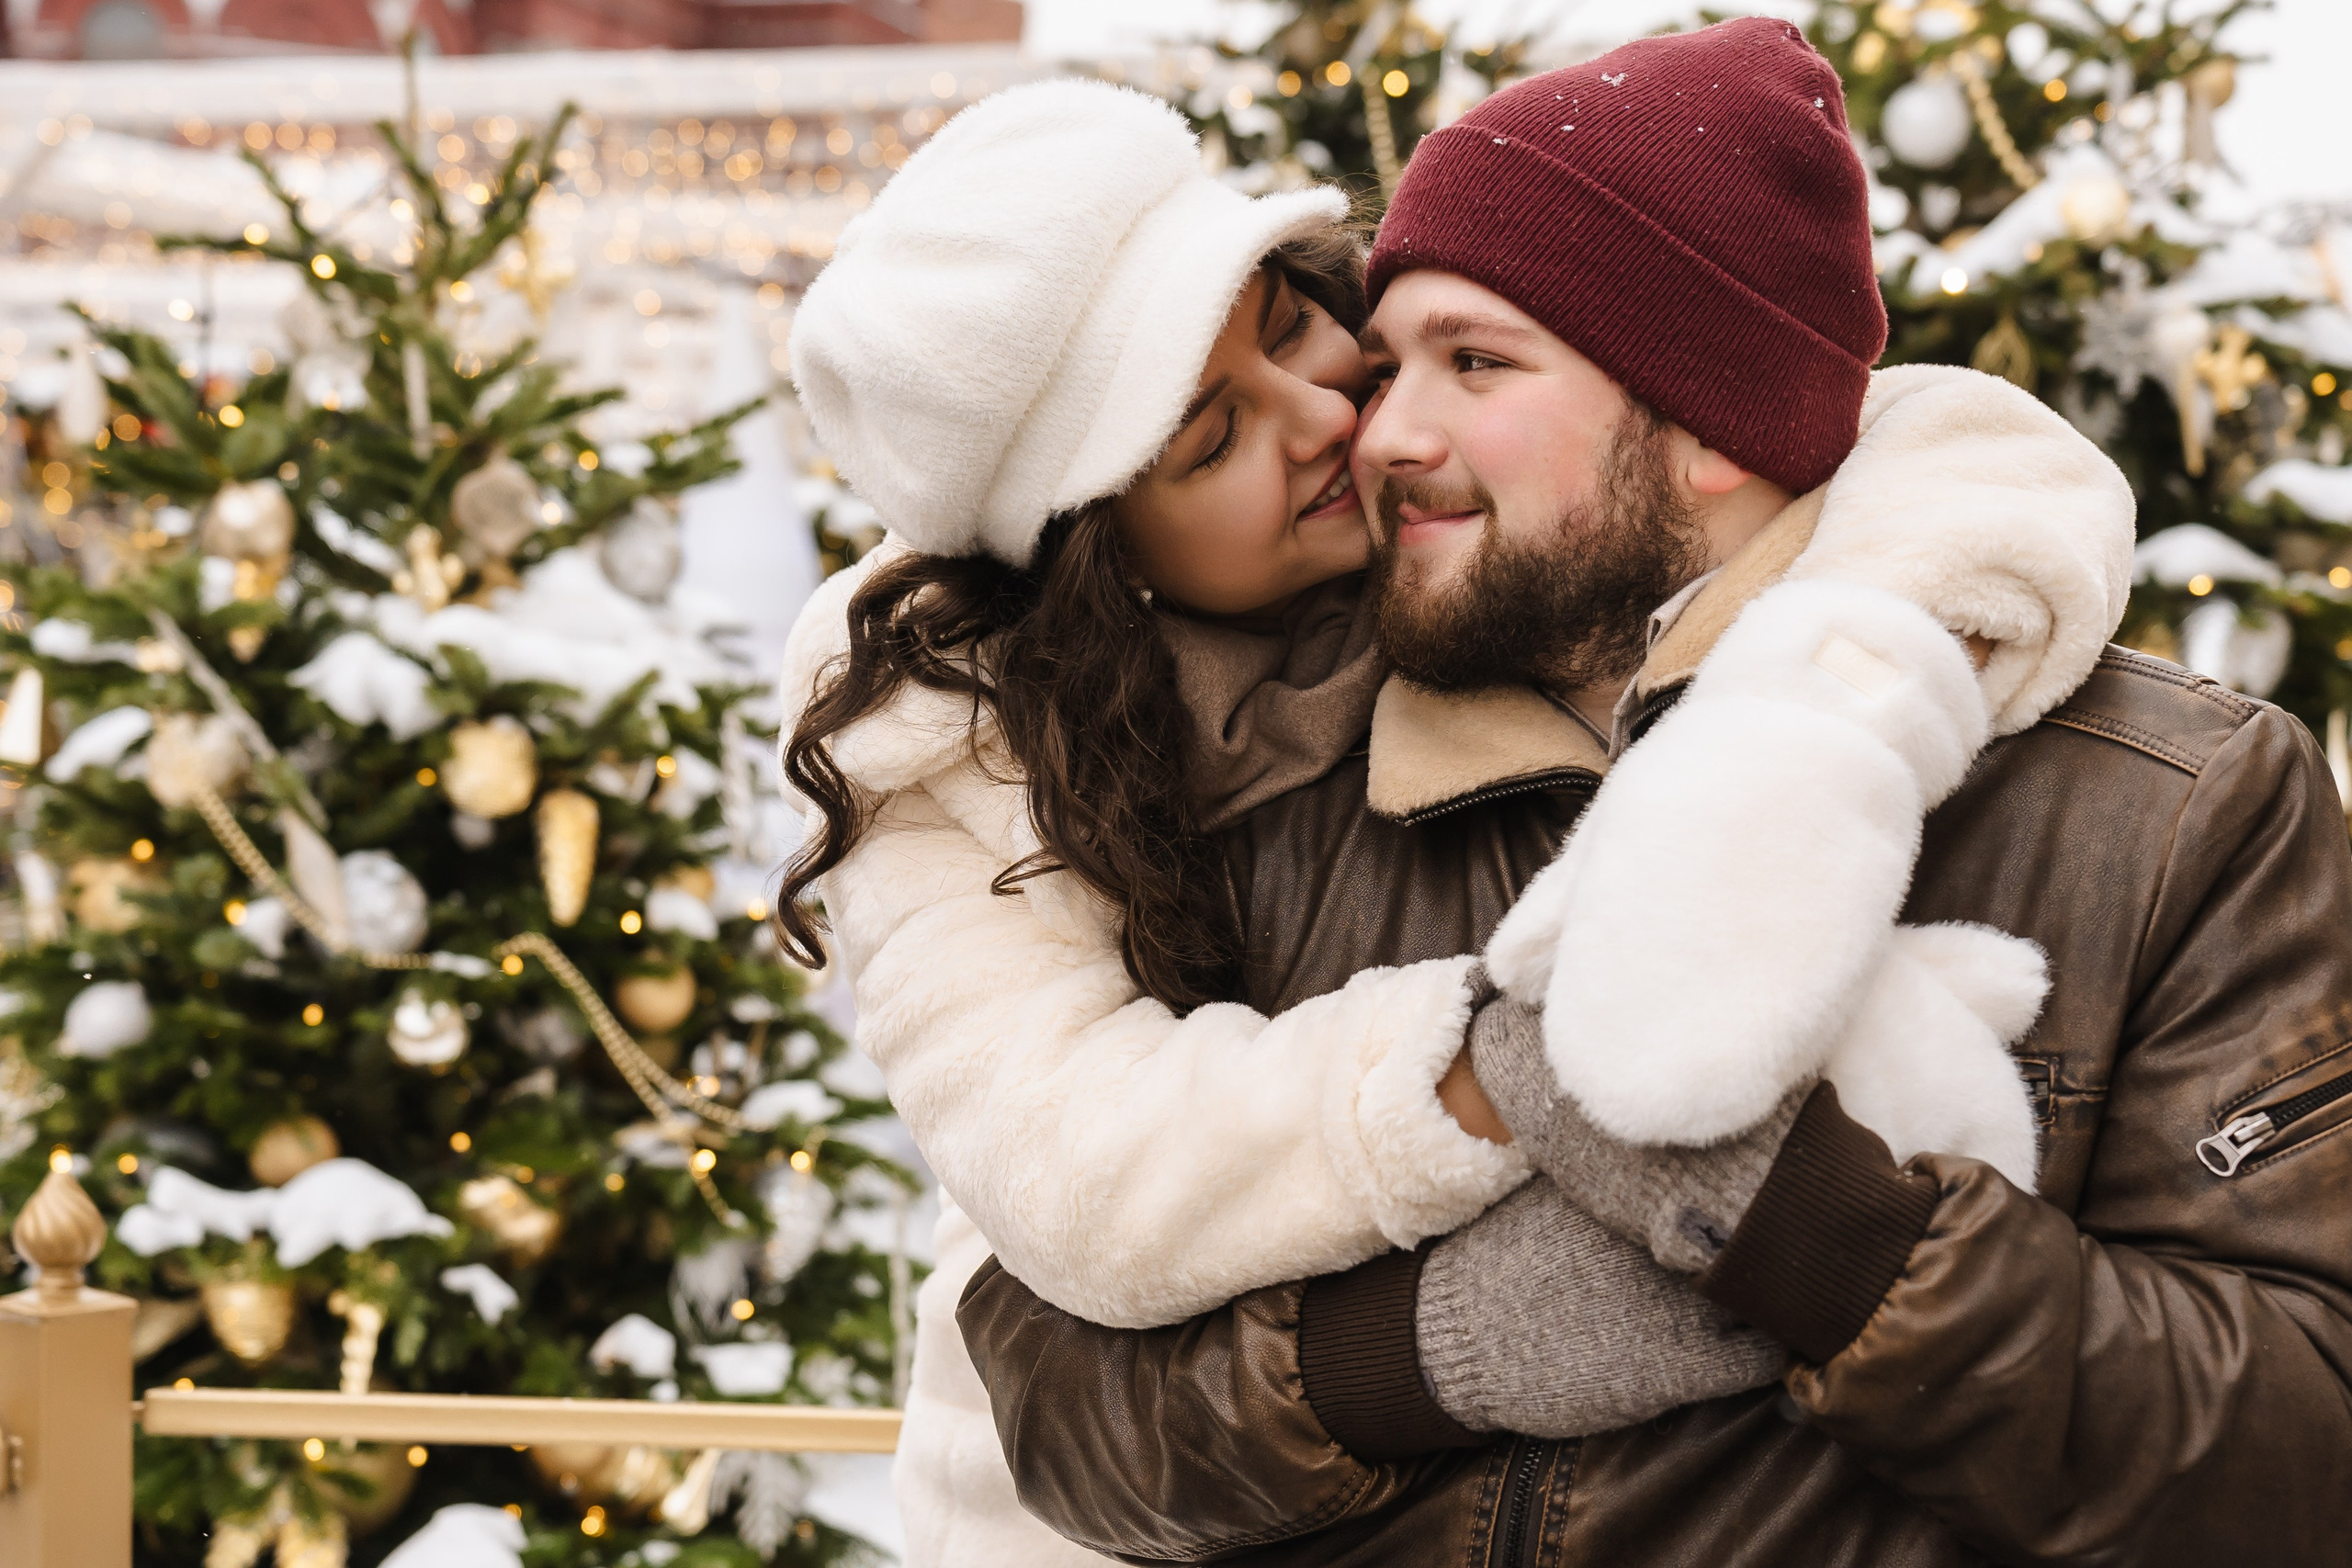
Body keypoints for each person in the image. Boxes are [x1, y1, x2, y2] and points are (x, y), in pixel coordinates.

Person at [951, 20, 2352, 1567]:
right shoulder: (1261, 789)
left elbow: (2307, 1455)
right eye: (1394, 353)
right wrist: (1413, 1354)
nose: (1382, 432)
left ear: (1705, 425)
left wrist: (1822, 1234)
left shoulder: (2161, 811)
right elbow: (1053, 1393)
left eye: (1476, 362)